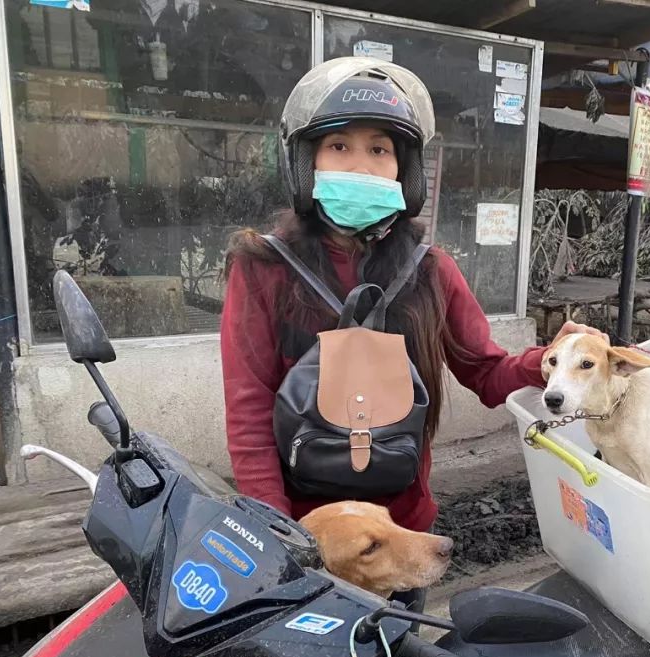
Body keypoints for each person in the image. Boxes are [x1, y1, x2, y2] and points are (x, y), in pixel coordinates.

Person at [220, 57, 599, 535]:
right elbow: (249, 408)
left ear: (406, 170)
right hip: (308, 530)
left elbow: (485, 372)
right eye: (339, 146)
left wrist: (553, 360)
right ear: (305, 163)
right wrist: (277, 531)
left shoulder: (429, 269)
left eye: (380, 150)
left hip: (403, 530)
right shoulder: (263, 268)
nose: (361, 164)